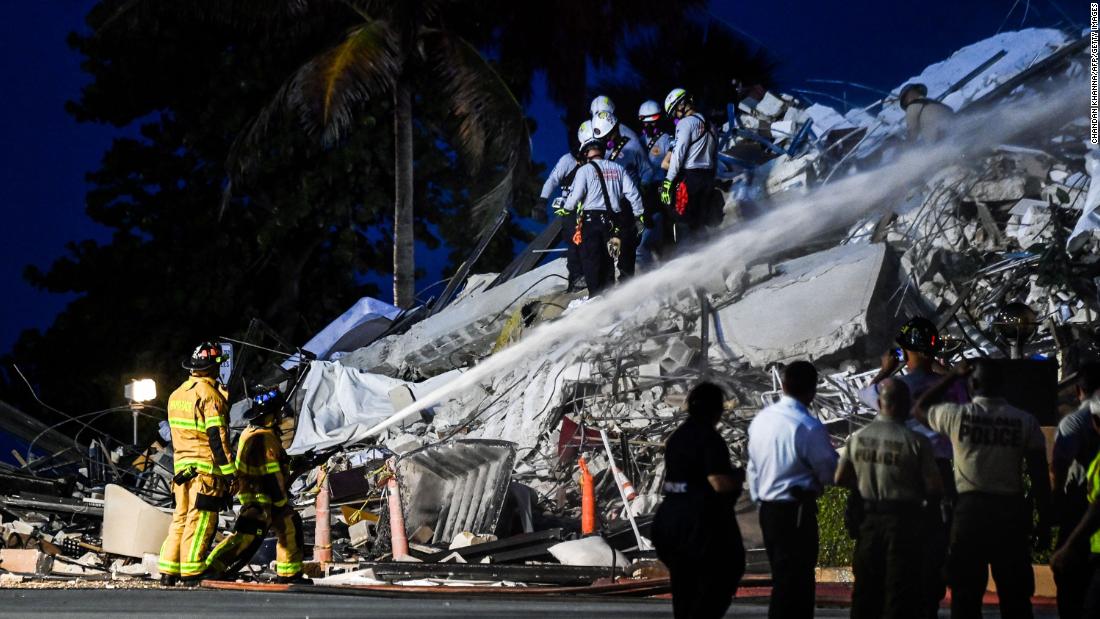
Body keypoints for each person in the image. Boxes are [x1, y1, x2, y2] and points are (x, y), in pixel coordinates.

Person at [914, 359, 1051, 619]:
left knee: (965, 596)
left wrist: (952, 375)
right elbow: (1040, 477)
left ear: (972, 383)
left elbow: (920, 408)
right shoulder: (1025, 421)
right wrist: (1044, 521)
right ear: (1002, 385)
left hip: (970, 514)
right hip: (1010, 513)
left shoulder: (957, 416)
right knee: (1016, 598)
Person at [857, 317, 958, 617]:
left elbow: (866, 395)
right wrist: (943, 370)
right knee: (936, 543)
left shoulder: (894, 388)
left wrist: (886, 368)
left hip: (902, 476)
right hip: (941, 471)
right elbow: (969, 387)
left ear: (905, 352)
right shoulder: (949, 387)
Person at [836, 378, 943, 619]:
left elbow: (840, 478)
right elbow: (934, 487)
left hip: (869, 522)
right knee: (899, 591)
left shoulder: (858, 438)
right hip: (902, 523)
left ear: (881, 403)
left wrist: (865, 483)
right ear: (903, 404)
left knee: (865, 590)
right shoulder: (916, 441)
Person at [747, 360, 838, 619]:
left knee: (782, 576)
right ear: (813, 391)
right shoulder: (809, 426)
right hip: (796, 511)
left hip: (768, 510)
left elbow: (752, 468)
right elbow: (830, 472)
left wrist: (761, 498)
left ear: (783, 386)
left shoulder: (761, 420)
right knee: (797, 583)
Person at [653, 382, 746, 619]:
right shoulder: (709, 438)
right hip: (700, 523)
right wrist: (742, 475)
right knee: (717, 583)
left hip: (670, 518)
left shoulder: (677, 437)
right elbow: (718, 483)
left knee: (685, 590)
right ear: (716, 410)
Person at [204, 385, 306, 583]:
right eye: (277, 412)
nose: (280, 416)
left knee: (287, 526)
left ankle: (289, 573)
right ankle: (212, 567)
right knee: (246, 537)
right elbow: (270, 473)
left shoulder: (254, 432)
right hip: (261, 497)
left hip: (260, 495)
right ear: (271, 414)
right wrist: (279, 501)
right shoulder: (264, 437)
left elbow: (274, 464)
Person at [158, 342, 236, 586]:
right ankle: (192, 572)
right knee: (200, 520)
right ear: (213, 368)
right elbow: (217, 438)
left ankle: (168, 571)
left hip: (181, 470)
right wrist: (230, 474)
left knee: (180, 518)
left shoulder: (177, 394)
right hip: (205, 472)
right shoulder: (209, 396)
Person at [559, 121, 643, 296]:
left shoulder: (584, 171)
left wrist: (565, 209)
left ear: (585, 152)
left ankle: (596, 298)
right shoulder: (618, 168)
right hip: (613, 223)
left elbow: (575, 197)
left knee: (592, 261)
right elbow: (633, 193)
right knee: (609, 262)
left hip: (591, 223)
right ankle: (611, 296)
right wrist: (639, 215)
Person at [1050, 362, 1100, 618]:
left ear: (1079, 390)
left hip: (1080, 507)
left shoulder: (1073, 423)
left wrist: (1056, 499)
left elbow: (1059, 466)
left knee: (1070, 580)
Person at [591, 110, 652, 280]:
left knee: (637, 247)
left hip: (632, 204)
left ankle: (652, 278)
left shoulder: (631, 148)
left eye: (607, 137)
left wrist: (643, 191)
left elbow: (647, 171)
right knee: (619, 250)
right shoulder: (605, 157)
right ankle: (629, 279)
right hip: (616, 210)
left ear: (615, 130)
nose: (605, 142)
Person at [660, 88, 718, 243]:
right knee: (699, 222)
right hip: (708, 177)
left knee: (680, 218)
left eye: (674, 113)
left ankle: (685, 256)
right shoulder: (710, 123)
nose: (675, 118)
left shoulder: (685, 124)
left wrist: (668, 182)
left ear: (681, 106)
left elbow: (678, 156)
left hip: (692, 179)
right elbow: (715, 155)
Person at [536, 149, 586, 290]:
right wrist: (542, 201)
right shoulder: (567, 160)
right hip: (570, 209)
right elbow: (552, 180)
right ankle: (576, 279)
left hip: (590, 208)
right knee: (574, 241)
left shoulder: (596, 158)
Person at [636, 99, 672, 271]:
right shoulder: (639, 142)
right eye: (648, 123)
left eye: (655, 121)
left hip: (663, 187)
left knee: (666, 229)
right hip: (646, 192)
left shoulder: (666, 139)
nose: (652, 126)